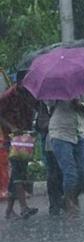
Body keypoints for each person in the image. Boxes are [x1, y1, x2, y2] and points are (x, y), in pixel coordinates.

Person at [48, 93, 84, 217]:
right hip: (60, 133)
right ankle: (70, 203)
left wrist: (78, 104)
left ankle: (73, 197)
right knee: (70, 172)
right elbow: (49, 104)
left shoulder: (81, 89)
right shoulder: (54, 89)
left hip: (80, 133)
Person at [0, 71, 39, 219]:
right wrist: (11, 127)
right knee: (17, 170)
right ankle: (24, 207)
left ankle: (9, 210)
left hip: (26, 137)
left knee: (20, 171)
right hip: (13, 137)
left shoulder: (30, 95)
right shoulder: (8, 96)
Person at [34, 102, 64, 216]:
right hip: (50, 140)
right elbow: (41, 122)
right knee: (53, 172)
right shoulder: (43, 102)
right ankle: (54, 203)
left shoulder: (64, 100)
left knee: (62, 171)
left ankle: (62, 199)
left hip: (64, 137)